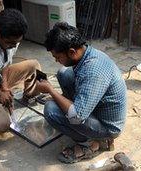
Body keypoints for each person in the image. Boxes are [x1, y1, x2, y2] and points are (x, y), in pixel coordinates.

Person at [36, 22, 127, 163]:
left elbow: (76, 117)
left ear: (72, 52)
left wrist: (51, 91)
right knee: (64, 73)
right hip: (97, 108)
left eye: (58, 57)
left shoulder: (93, 71)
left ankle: (90, 143)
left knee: (51, 111)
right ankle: (72, 115)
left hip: (107, 127)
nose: (56, 60)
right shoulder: (88, 53)